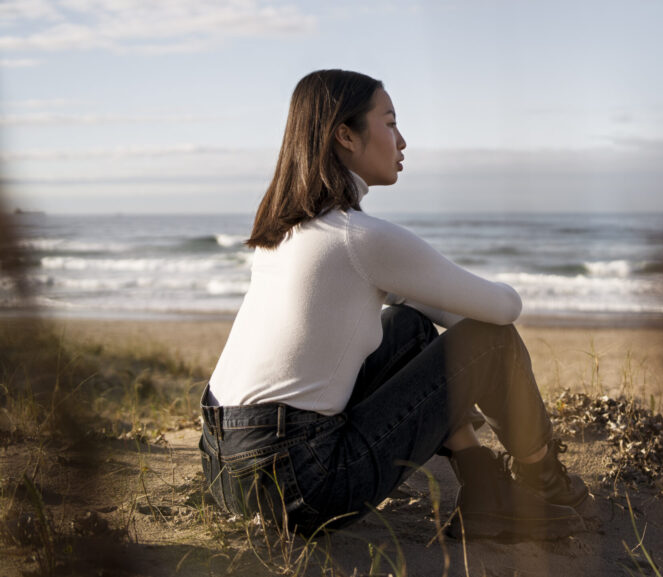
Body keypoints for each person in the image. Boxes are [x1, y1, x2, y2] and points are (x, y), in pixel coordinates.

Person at [198, 69, 589, 540]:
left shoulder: (285, 233)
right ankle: (544, 482)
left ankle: (485, 486)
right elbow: (505, 308)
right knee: (493, 342)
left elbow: (411, 305)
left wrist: (435, 321)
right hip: (302, 485)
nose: (402, 141)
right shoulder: (358, 239)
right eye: (389, 123)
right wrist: (471, 352)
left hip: (225, 469)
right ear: (345, 135)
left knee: (410, 328)